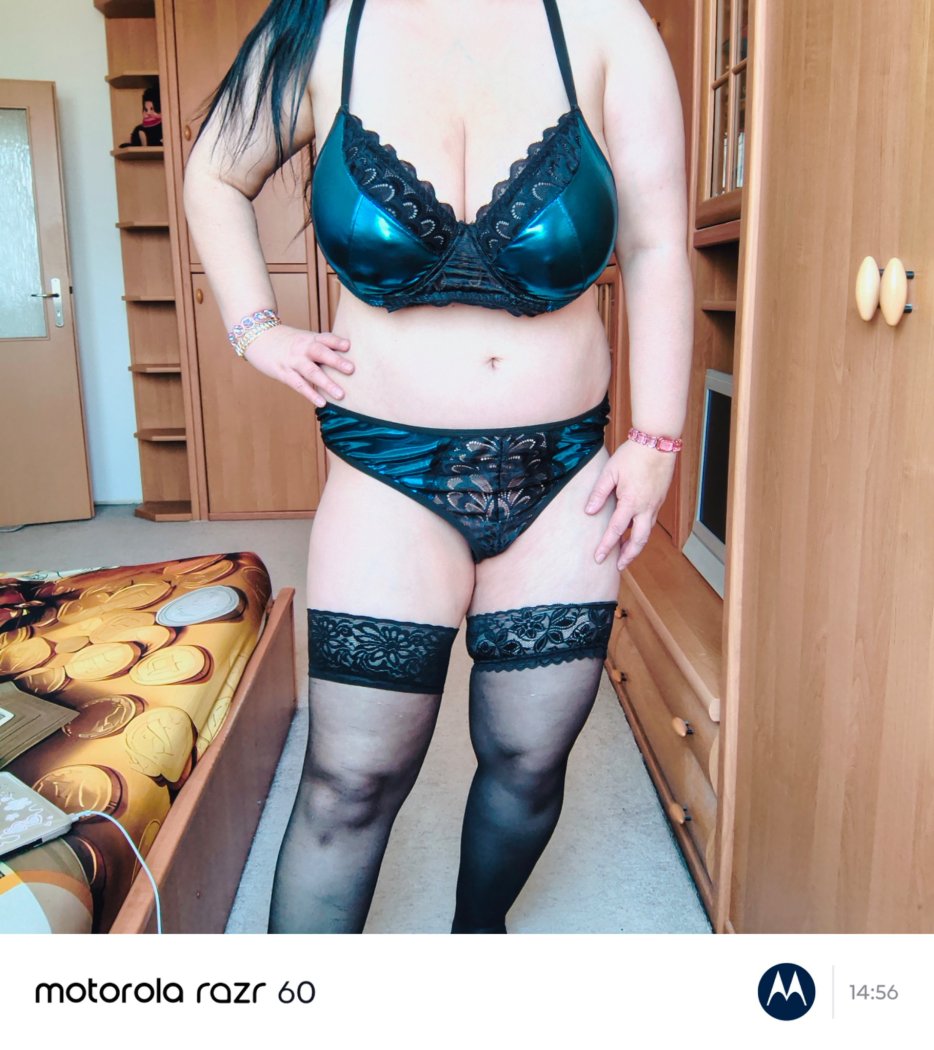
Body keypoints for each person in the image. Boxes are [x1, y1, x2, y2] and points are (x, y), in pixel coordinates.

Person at [184, 0, 693, 933]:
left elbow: (657, 244)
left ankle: (472, 948)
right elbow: (215, 171)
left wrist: (657, 437)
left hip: (563, 475)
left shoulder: (604, 24)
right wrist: (255, 329)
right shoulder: (324, 26)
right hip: (388, 471)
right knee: (348, 780)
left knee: (530, 761)